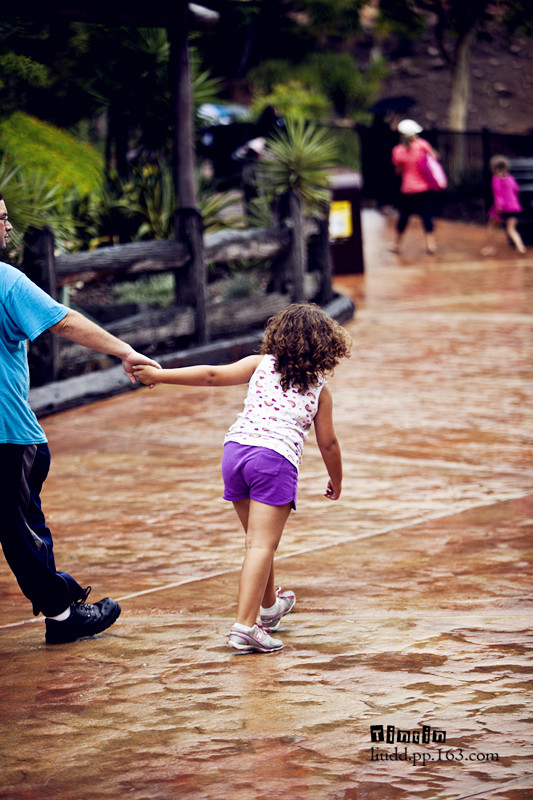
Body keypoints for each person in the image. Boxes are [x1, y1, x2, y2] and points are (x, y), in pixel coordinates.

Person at [132, 302, 352, 654]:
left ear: (278, 337)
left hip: (236, 453)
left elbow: (211, 375)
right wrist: (336, 481)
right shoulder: (319, 390)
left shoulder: (259, 364)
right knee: (261, 545)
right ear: (325, 347)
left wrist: (160, 374)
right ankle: (245, 627)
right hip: (274, 460)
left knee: (258, 541)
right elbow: (329, 443)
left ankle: (270, 608)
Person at [0, 192, 161, 644]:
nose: (8, 227)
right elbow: (63, 320)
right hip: (7, 433)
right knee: (21, 529)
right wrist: (125, 351)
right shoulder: (5, 281)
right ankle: (62, 612)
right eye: (1, 218)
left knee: (19, 526)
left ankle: (61, 601)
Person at [391, 119, 438, 254]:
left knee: (404, 217)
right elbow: (434, 158)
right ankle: (430, 245)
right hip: (424, 188)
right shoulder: (422, 145)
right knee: (427, 216)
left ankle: (397, 245)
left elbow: (398, 171)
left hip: (408, 189)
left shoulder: (398, 151)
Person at [481, 155, 526, 256]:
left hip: (501, 208)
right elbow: (517, 190)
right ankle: (520, 246)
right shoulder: (510, 178)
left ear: (493, 168)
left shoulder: (496, 179)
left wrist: (499, 207)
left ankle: (490, 248)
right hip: (514, 207)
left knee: (491, 226)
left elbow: (498, 194)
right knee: (511, 229)